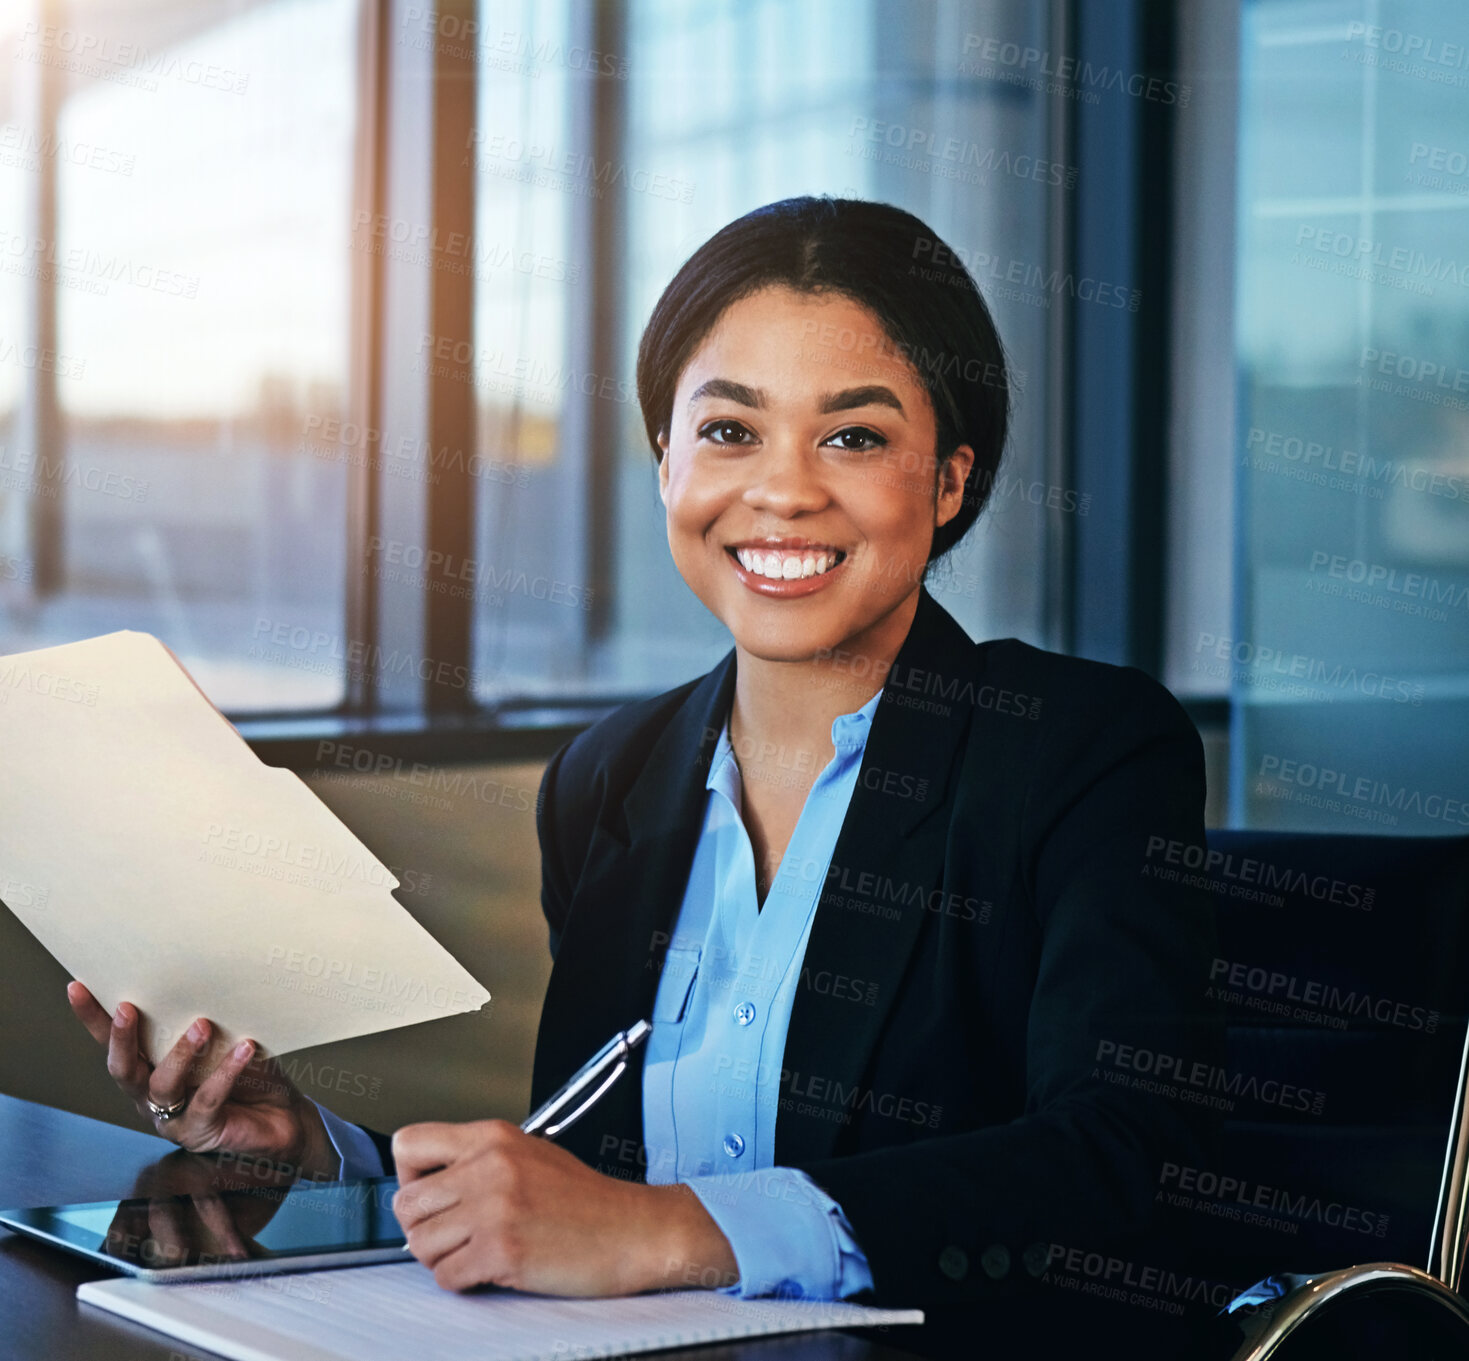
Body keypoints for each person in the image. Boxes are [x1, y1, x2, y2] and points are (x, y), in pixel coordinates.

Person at [68, 196, 1223, 1351]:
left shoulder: (1078, 748)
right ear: (667, 459)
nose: (782, 490)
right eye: (729, 431)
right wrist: (323, 1157)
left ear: (947, 481)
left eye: (853, 436)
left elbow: (1120, 1157)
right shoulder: (607, 780)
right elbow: (581, 1172)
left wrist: (670, 1229)